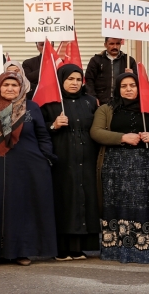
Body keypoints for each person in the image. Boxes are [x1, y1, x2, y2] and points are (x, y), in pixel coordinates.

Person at [0, 72, 57, 266]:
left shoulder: (32, 108)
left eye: (14, 85)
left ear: (21, 87)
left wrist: (47, 158)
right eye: (6, 85)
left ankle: (23, 251)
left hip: (28, 166)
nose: (10, 88)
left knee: (23, 207)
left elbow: (43, 136)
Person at [90, 73, 149, 264]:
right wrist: (122, 137)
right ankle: (117, 250)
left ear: (140, 87)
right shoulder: (106, 108)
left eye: (133, 85)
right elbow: (96, 132)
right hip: (116, 167)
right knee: (118, 205)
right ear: (117, 89)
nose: (128, 89)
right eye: (124, 86)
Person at [40, 64, 100, 260]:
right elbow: (37, 132)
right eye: (70, 79)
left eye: (78, 79)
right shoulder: (50, 104)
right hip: (61, 158)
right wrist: (53, 125)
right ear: (61, 81)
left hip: (87, 157)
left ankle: (79, 247)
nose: (74, 83)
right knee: (65, 200)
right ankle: (61, 247)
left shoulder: (90, 101)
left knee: (84, 199)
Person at [84, 37, 137, 105]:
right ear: (105, 45)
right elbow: (89, 80)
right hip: (101, 102)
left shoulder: (129, 61)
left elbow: (138, 81)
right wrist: (93, 97)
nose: (115, 46)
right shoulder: (96, 60)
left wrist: (132, 75)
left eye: (117, 44)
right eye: (111, 44)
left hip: (123, 102)